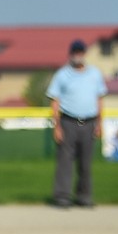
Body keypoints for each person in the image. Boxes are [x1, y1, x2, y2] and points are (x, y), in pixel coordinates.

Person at [47, 39, 107, 208]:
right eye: (75, 52)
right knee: (65, 161)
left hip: (89, 121)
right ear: (70, 54)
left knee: (86, 162)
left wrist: (100, 123)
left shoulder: (94, 74)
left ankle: (84, 196)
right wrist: (57, 126)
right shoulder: (62, 75)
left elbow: (99, 99)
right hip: (68, 121)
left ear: (84, 54)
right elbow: (55, 100)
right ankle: (62, 197)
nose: (77, 55)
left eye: (80, 52)